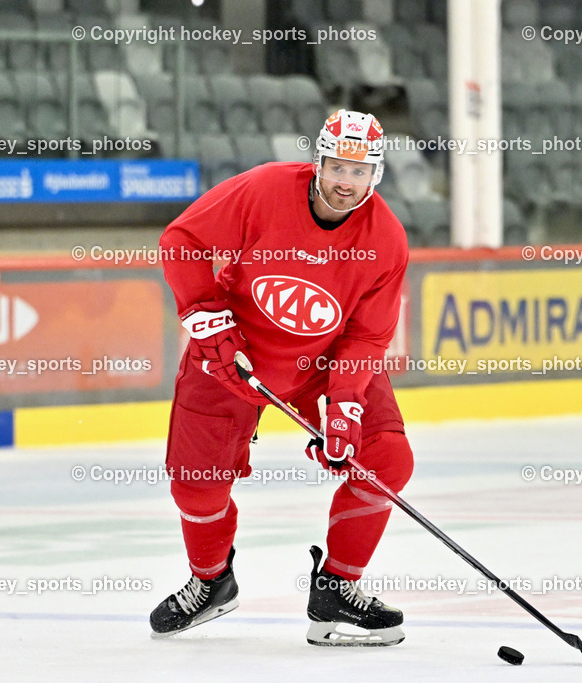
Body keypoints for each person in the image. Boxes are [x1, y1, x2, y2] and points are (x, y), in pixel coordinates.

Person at [150, 110, 413, 646]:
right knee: (196, 488)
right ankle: (211, 582)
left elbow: (365, 338)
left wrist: (344, 404)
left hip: (322, 359)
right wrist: (205, 314)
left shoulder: (386, 239)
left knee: (387, 458)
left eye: (360, 171)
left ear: (376, 174)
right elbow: (182, 240)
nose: (346, 181)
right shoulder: (265, 189)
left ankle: (338, 587)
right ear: (318, 161)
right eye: (338, 165)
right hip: (230, 354)